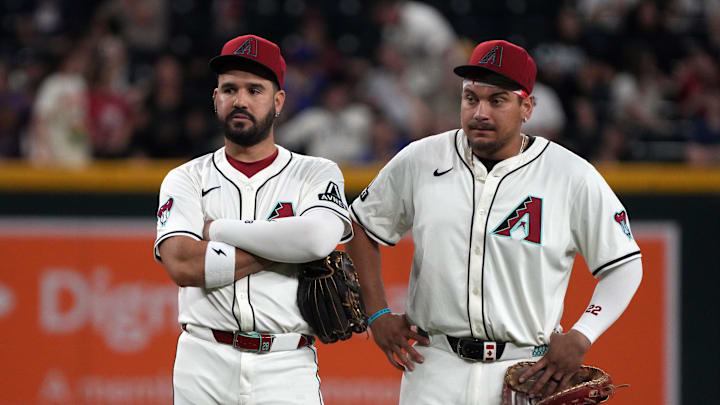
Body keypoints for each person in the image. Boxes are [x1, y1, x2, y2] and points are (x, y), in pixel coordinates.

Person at [346, 39, 643, 404]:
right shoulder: (421, 160)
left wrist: (583, 333)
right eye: (471, 98)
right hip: (434, 366)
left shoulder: (571, 175)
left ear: (527, 106)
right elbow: (361, 225)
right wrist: (376, 313)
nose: (480, 112)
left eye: (497, 100)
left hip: (526, 370)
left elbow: (624, 265)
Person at [154, 34, 353, 404]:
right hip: (204, 360)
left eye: (254, 90)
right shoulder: (186, 178)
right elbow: (182, 262)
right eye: (229, 89)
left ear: (278, 102)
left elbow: (315, 242)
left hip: (286, 362)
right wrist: (285, 247)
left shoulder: (316, 173)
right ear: (215, 99)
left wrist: (216, 231)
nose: (240, 100)